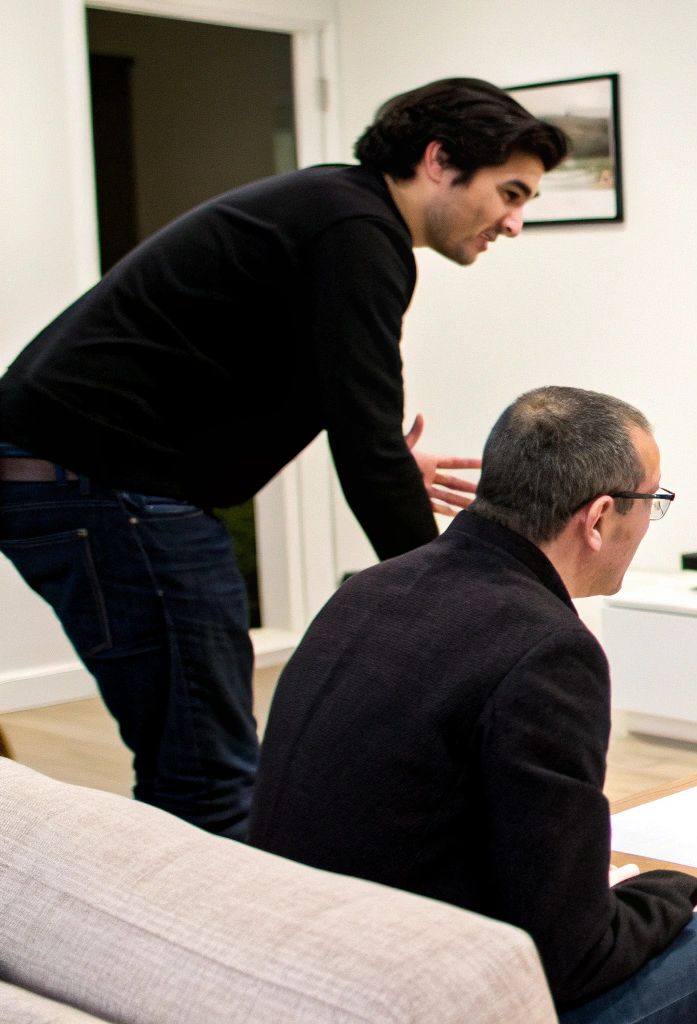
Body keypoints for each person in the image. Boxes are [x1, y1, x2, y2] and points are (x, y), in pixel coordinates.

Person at [0, 79, 568, 840]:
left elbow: (331, 402)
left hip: (80, 478)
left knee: (208, 763)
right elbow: (361, 442)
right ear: (440, 161)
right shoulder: (357, 233)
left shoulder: (337, 210)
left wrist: (391, 465)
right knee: (210, 778)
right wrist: (461, 609)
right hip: (102, 487)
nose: (514, 221)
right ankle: (219, 952)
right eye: (510, 192)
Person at [250, 387, 697, 1024]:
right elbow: (571, 958)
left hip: (292, 965)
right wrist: (675, 895)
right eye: (653, 501)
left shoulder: (370, 588)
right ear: (599, 517)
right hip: (412, 995)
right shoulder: (547, 649)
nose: (650, 522)